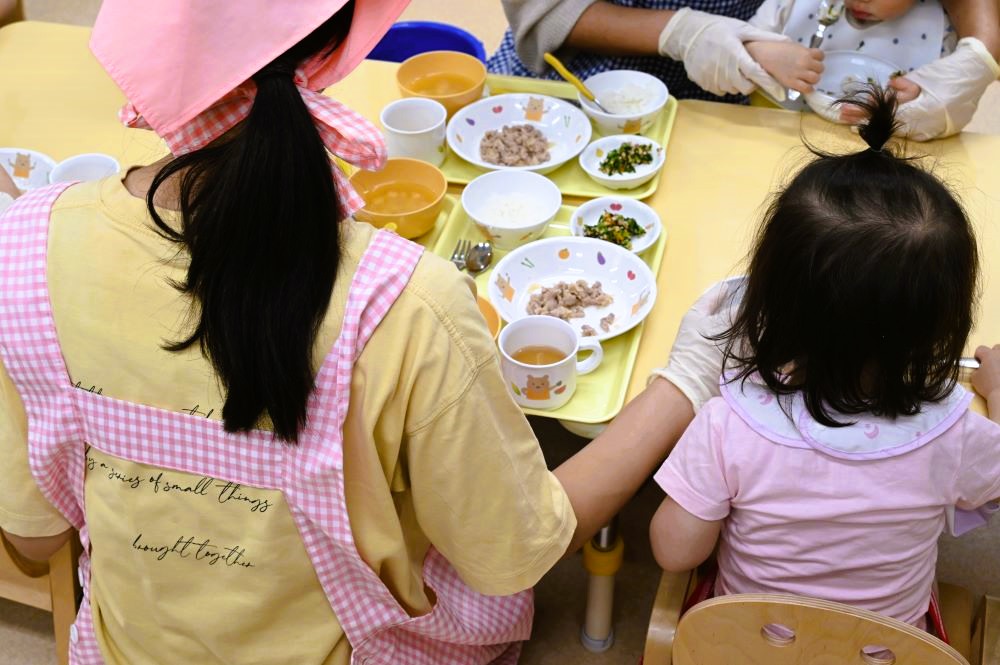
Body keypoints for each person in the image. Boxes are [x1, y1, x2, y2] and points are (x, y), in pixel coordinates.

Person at [0, 1, 717, 662]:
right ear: (336, 51)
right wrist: (684, 380)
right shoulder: (407, 300)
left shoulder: (24, 245)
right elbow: (517, 548)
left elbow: (36, 540)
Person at [649, 86, 1000, 629]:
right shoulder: (954, 435)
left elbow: (674, 553)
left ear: (771, 296)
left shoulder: (728, 423)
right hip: (884, 654)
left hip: (744, 651)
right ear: (941, 319)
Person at [489, 0, 1000, 134]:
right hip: (583, 75)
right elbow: (548, 10)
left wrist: (978, 58)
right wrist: (685, 33)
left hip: (736, 96)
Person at [743, 0, 1000, 139]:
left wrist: (933, 109)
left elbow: (953, 109)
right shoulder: (787, 4)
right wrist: (761, 50)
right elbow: (738, 46)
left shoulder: (942, 28)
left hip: (881, 157)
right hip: (774, 134)